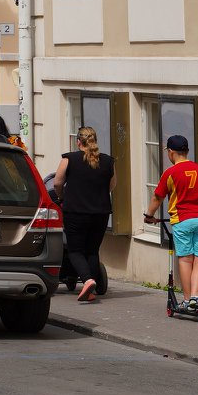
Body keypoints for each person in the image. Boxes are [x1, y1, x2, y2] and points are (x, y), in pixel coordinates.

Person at [146, 134, 198, 311]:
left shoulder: (170, 173)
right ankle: (197, 297)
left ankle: (187, 299)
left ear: (171, 152)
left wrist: (148, 215)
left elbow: (157, 197)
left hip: (183, 220)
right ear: (187, 151)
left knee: (185, 259)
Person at [53, 127, 116, 302]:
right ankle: (91, 288)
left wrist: (62, 197)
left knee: (75, 250)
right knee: (92, 250)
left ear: (78, 142)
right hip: (101, 212)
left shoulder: (69, 159)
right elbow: (112, 186)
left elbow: (57, 183)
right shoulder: (108, 161)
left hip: (76, 211)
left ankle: (87, 280)